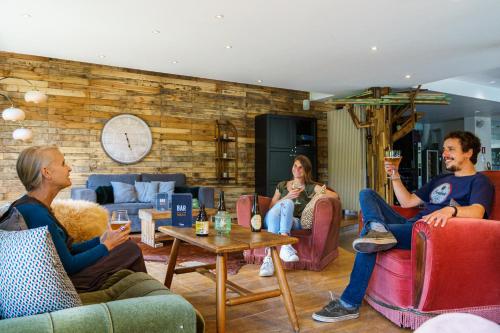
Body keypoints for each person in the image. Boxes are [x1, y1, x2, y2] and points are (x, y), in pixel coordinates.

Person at [312, 131, 494, 323]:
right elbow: (408, 202)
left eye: (450, 149)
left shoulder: (480, 181)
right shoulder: (440, 179)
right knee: (367, 194)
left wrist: (452, 211)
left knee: (368, 237)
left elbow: (478, 212)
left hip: (428, 233)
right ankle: (378, 229)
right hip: (411, 225)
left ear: (468, 152)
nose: (444, 154)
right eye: (443, 150)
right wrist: (395, 176)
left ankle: (349, 303)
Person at [12, 146, 147, 292]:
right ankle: (148, 297)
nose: (69, 168)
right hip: (63, 283)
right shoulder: (36, 214)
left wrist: (102, 240)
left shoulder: (32, 206)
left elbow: (66, 251)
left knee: (124, 245)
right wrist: (106, 246)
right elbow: (69, 265)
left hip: (61, 275)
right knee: (130, 249)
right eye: (63, 164)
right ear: (47, 173)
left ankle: (139, 293)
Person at [259, 155, 339, 277]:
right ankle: (286, 244)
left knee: (289, 204)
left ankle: (268, 259)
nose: (297, 169)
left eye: (301, 167)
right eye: (295, 166)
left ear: (306, 170)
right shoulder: (282, 185)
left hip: (294, 221)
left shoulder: (310, 187)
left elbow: (335, 196)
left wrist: (318, 197)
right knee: (287, 203)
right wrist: (287, 197)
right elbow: (271, 207)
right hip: (272, 218)